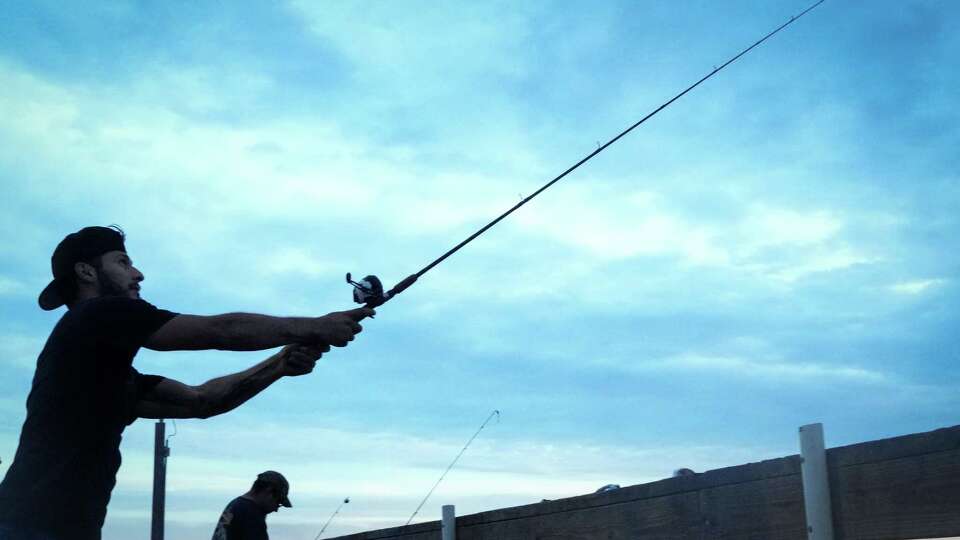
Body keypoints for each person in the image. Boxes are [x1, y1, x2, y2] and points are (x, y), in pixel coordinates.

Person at [0, 226, 375, 540]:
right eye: (123, 262)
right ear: (87, 272)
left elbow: (202, 401)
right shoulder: (96, 313)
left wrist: (280, 363)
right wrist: (316, 325)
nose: (137, 274)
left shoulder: (106, 376)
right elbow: (218, 330)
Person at [212, 471, 291, 540]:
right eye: (278, 502)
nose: (276, 509)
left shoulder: (235, 505)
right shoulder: (252, 514)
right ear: (268, 491)